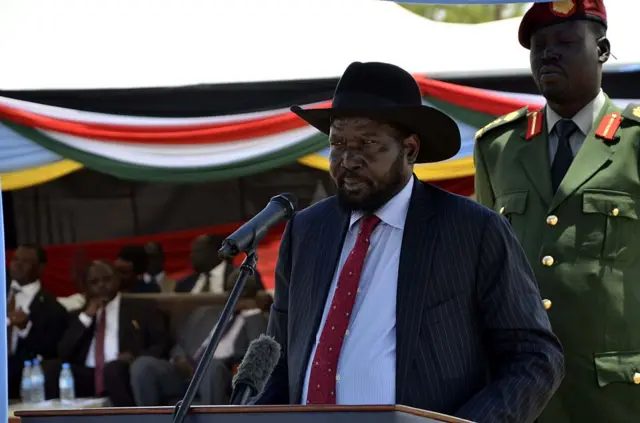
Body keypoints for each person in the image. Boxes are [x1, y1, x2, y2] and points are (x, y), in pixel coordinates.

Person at [254, 61, 564, 423]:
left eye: (368, 143)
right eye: (337, 143)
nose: (348, 160)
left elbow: (535, 357)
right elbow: (277, 358)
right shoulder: (306, 230)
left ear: (410, 149)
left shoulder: (472, 230)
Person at [473, 1, 640, 422]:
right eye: (538, 45)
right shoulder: (498, 146)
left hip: (615, 392)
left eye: (565, 42)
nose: (547, 53)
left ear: (602, 50)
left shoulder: (635, 144)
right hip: (520, 389)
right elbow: (484, 269)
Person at [130, 269, 268, 405]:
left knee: (211, 366)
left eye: (244, 290)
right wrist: (179, 358)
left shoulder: (261, 320)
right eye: (233, 288)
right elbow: (180, 345)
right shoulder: (205, 313)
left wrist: (252, 313)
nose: (238, 294)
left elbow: (259, 354)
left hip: (221, 375)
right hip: (186, 373)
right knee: (143, 365)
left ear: (254, 292)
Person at [43, 260, 168, 406]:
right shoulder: (79, 315)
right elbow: (64, 352)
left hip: (123, 371)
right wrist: (87, 316)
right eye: (94, 282)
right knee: (50, 368)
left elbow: (161, 344)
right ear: (87, 287)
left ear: (117, 279)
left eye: (107, 279)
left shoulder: (142, 309)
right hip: (88, 375)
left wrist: (135, 359)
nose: (101, 285)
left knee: (113, 370)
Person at [6, 244, 67, 399]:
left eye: (26, 261)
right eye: (15, 259)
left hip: (22, 373)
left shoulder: (52, 307)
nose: (17, 264)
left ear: (40, 268)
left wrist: (25, 328)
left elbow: (50, 350)